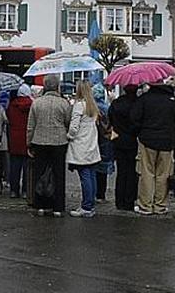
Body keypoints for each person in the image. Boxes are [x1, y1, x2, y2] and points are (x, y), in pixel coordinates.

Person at [131, 81, 175, 215]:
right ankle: (160, 205)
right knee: (163, 175)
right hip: (167, 140)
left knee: (147, 174)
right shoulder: (172, 100)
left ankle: (146, 205)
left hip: (147, 139)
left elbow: (134, 118)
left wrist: (141, 131)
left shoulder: (144, 99)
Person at [27, 74, 72, 217]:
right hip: (59, 142)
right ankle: (58, 207)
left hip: (39, 141)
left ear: (45, 86)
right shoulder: (64, 103)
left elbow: (30, 125)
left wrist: (29, 143)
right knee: (58, 174)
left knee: (40, 174)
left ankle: (40, 205)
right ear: (57, 86)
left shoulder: (36, 103)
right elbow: (68, 122)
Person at [66, 80, 102, 218]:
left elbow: (74, 127)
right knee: (91, 176)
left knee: (85, 176)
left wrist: (68, 136)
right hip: (91, 145)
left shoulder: (79, 106)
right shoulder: (92, 106)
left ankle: (86, 206)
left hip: (81, 145)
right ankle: (90, 205)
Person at [109, 84, 139, 211]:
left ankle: (119, 200)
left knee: (121, 172)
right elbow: (138, 122)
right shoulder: (138, 104)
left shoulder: (116, 103)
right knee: (132, 172)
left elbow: (110, 118)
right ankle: (129, 201)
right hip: (132, 140)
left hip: (118, 140)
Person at [7, 83, 33, 198]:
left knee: (14, 166)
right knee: (27, 167)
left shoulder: (12, 105)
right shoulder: (32, 105)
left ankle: (14, 190)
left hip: (14, 138)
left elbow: (9, 119)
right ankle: (25, 191)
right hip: (27, 138)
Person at [92, 83, 114, 202]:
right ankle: (101, 194)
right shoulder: (106, 108)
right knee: (103, 170)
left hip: (93, 139)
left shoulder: (91, 108)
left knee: (93, 168)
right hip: (105, 140)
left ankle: (93, 192)